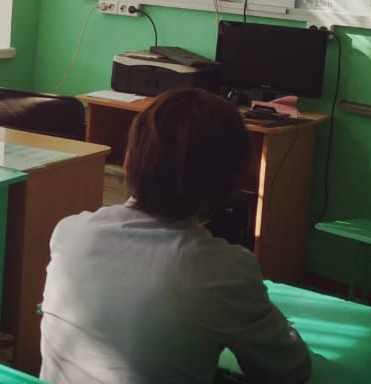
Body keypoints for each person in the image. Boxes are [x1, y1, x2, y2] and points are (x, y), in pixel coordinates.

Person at [39, 87, 311, 384]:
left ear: (127, 162)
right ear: (230, 187)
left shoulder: (69, 232)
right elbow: (289, 370)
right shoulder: (225, 272)